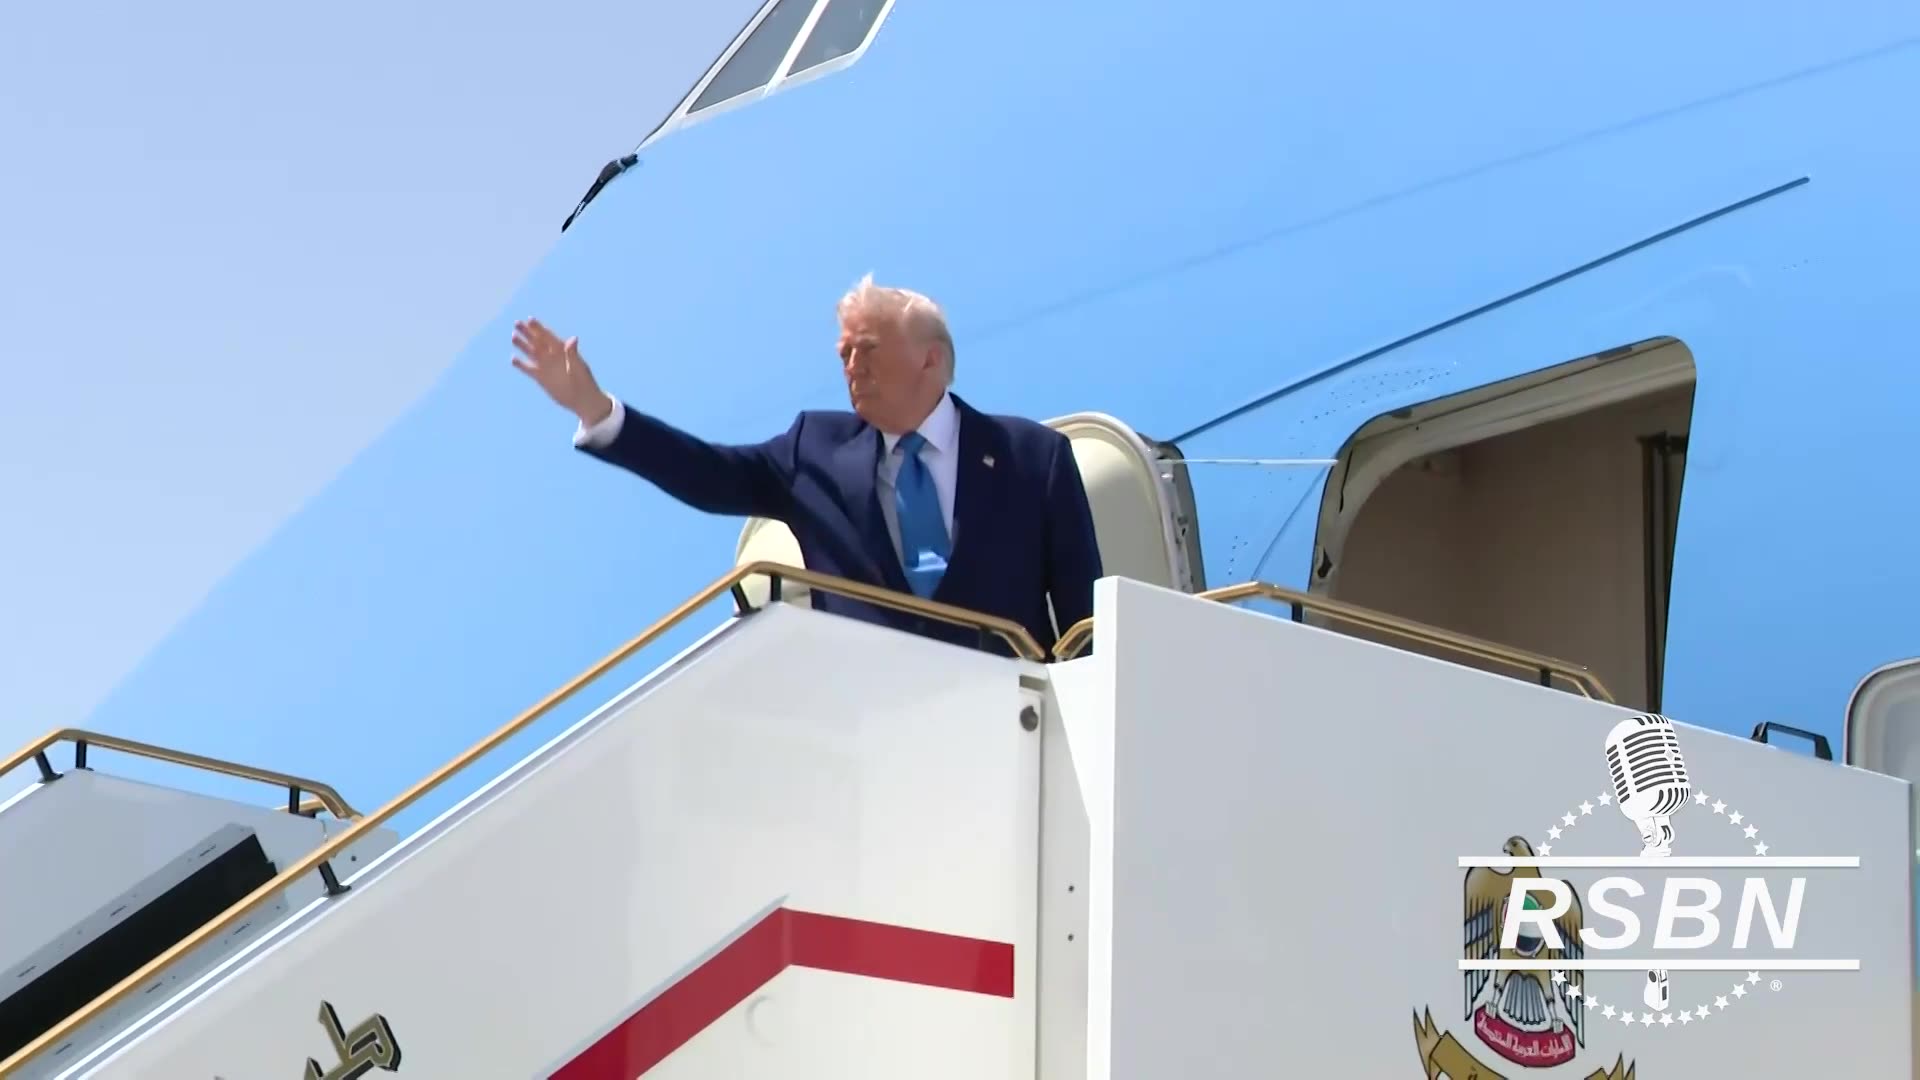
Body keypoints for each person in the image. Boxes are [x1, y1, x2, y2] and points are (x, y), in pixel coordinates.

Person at [509, 275, 1103, 659]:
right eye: (844, 353)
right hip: (867, 741)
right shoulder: (813, 450)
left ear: (931, 359)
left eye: (867, 349)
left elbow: (1086, 628)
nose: (851, 365)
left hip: (1016, 736)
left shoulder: (1034, 458)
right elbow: (708, 474)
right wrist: (597, 409)